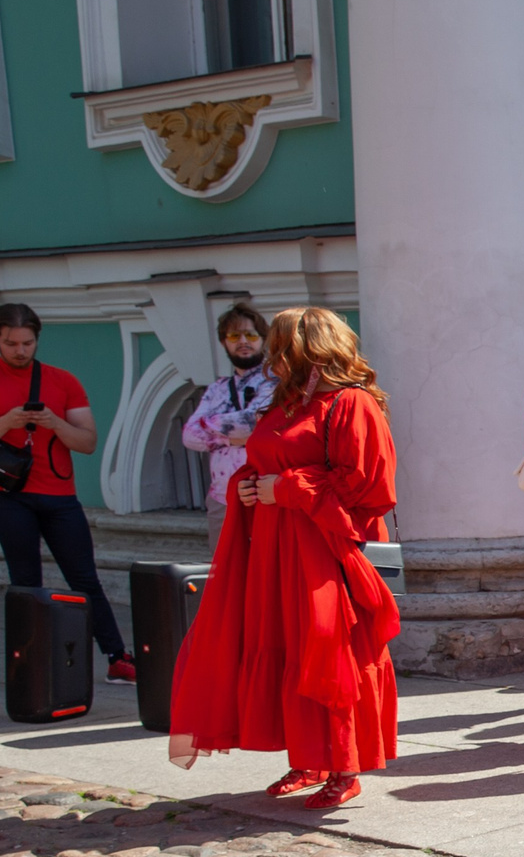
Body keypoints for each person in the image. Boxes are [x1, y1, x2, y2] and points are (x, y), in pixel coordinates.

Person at [166, 308, 398, 811]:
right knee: (289, 647)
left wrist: (287, 488)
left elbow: (368, 487)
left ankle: (345, 762)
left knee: (327, 649)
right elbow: (265, 460)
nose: (272, 355)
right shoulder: (289, 403)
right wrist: (248, 486)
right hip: (278, 547)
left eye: (280, 345)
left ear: (307, 347)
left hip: (326, 550)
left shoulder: (351, 403)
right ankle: (309, 755)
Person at [0, 303, 134, 683]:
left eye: (27, 342)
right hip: (7, 493)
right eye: (11, 343)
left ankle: (117, 657)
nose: (20, 350)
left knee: (84, 578)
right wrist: (7, 421)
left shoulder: (62, 381)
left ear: (37, 340)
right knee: (25, 581)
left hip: (58, 494)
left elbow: (87, 441)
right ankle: (30, 664)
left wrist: (54, 422)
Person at [181, 306, 276, 539]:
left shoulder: (274, 382)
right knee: (223, 571)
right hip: (221, 498)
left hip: (261, 493)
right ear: (224, 342)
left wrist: (209, 427)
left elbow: (254, 423)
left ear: (263, 340)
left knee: (262, 571)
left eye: (251, 335)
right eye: (234, 336)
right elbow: (189, 435)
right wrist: (233, 433)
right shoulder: (217, 388)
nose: (243, 341)